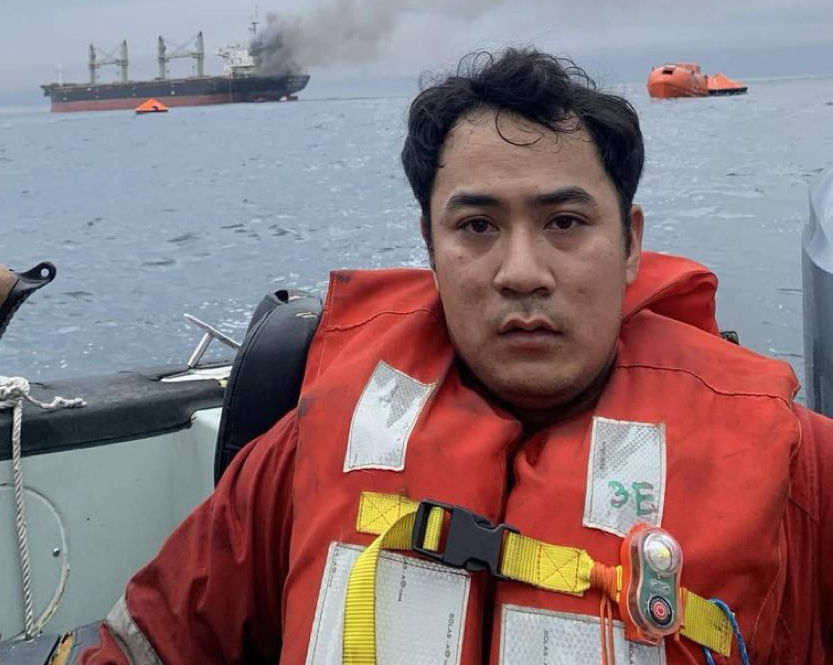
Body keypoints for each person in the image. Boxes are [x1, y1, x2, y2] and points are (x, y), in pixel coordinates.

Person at [82, 48, 833, 665]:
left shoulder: (798, 467)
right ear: (430, 248)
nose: (522, 272)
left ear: (631, 243)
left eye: (565, 222)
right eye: (477, 226)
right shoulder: (308, 448)